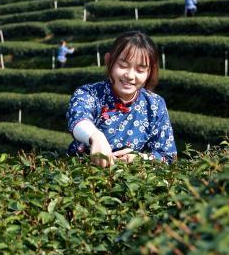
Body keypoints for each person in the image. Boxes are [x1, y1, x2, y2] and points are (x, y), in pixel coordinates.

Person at [66, 31, 177, 167]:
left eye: (140, 70)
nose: (130, 75)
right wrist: (96, 137)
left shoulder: (155, 104)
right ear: (109, 61)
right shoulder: (89, 93)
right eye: (123, 66)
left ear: (150, 72)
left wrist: (140, 158)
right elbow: (77, 119)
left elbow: (168, 156)